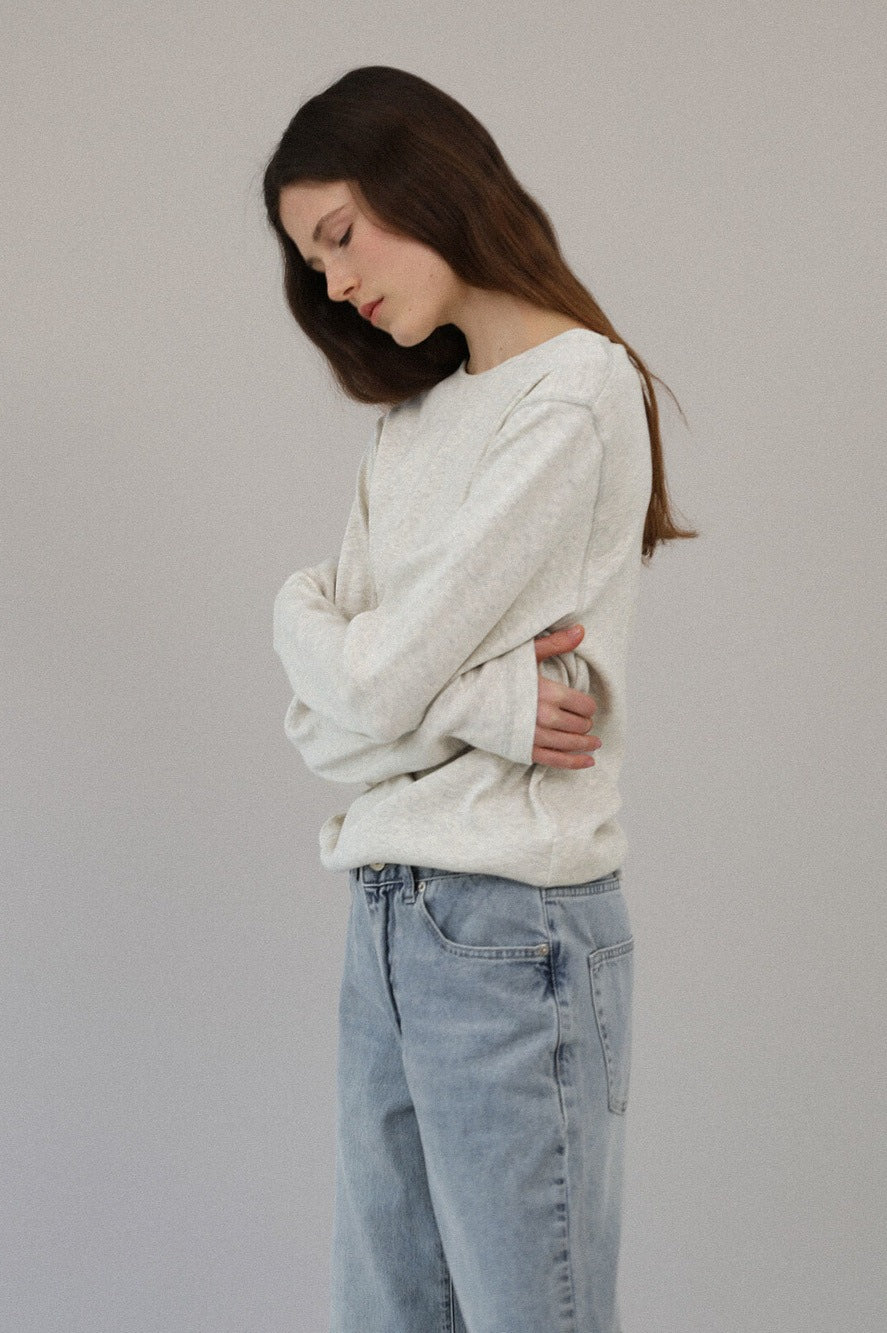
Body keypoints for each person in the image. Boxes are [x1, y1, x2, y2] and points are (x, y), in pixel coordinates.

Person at [264, 65, 697, 1333]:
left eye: (339, 234)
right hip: (385, 918)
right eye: (311, 262)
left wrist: (361, 664)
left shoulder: (575, 390)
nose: (332, 283)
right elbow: (324, 723)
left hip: (513, 927)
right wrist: (484, 708)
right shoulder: (410, 425)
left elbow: (371, 679)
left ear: (424, 180)